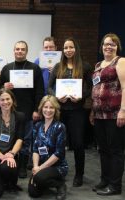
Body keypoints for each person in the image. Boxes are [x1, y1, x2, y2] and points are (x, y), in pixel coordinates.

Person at [48, 37, 92, 187]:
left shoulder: (84, 66)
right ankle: (57, 170)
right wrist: (55, 96)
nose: (68, 50)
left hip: (77, 110)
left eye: (71, 47)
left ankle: (79, 174)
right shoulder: (57, 66)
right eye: (66, 48)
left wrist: (81, 96)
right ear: (63, 50)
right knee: (57, 143)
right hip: (60, 111)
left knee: (78, 143)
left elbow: (91, 88)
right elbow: (49, 87)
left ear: (76, 48)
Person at [0, 40, 44, 178]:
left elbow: (39, 91)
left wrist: (37, 109)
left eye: (22, 49)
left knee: (25, 140)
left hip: (28, 111)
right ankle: (10, 162)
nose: (19, 51)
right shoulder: (7, 68)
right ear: (14, 51)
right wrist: (4, 88)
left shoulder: (34, 68)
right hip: (9, 112)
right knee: (10, 139)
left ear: (26, 51)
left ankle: (23, 166)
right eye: (17, 49)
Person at [90, 33, 125, 196]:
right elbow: (95, 89)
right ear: (101, 46)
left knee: (115, 150)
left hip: (114, 114)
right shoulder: (98, 64)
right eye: (106, 44)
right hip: (98, 115)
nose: (108, 46)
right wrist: (92, 111)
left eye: (112, 44)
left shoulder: (120, 61)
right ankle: (104, 180)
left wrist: (123, 110)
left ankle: (115, 185)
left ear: (117, 47)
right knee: (103, 149)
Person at [28, 95, 68, 200]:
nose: (48, 110)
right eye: (46, 107)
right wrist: (36, 166)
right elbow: (35, 149)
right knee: (33, 193)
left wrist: (40, 169)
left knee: (39, 178)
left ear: (56, 110)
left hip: (57, 166)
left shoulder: (60, 127)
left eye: (51, 107)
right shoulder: (37, 126)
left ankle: (60, 184)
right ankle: (43, 179)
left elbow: (58, 153)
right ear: (41, 109)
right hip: (40, 166)